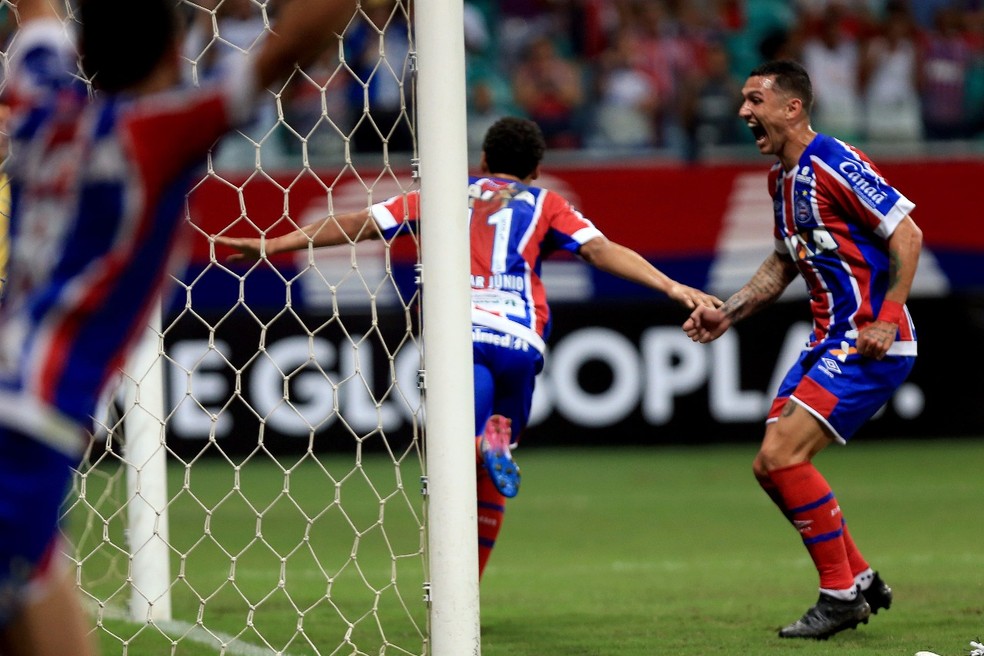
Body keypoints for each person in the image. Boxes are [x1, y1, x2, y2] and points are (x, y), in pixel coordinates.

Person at [215, 116, 722, 579]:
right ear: (537, 170)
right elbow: (599, 250)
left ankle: (478, 450)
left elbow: (359, 223)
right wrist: (674, 289)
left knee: (459, 456)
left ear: (481, 161)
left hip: (462, 336)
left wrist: (274, 245)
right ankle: (469, 581)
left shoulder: (442, 194)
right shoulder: (547, 203)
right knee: (491, 473)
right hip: (521, 341)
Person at [0, 0, 355, 654]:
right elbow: (294, 43)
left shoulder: (41, 102)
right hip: (25, 431)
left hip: (24, 420)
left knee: (47, 604)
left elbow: (35, 14)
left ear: (82, 54)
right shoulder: (157, 133)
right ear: (174, 52)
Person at [683, 59, 922, 640]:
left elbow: (907, 235)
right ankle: (859, 578)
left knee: (784, 456)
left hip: (867, 339)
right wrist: (728, 312)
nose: (744, 111)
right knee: (770, 466)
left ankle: (839, 595)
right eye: (743, 100)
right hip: (827, 339)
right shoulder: (782, 181)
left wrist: (888, 318)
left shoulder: (837, 163)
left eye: (755, 100)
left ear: (793, 107)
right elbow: (783, 263)